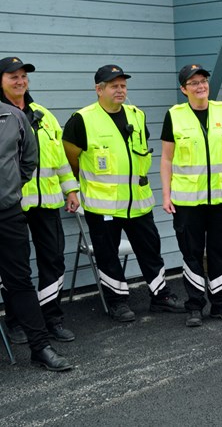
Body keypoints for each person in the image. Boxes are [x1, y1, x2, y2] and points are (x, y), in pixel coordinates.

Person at [63, 64, 184, 322]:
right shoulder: (81, 120)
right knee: (108, 256)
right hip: (103, 206)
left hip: (139, 202)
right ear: (99, 89)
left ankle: (161, 296)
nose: (120, 90)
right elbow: (71, 158)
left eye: (123, 85)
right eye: (114, 85)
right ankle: (117, 301)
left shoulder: (136, 115)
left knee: (151, 250)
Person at [0, 57, 79, 345]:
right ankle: (16, 320)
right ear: (1, 81)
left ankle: (52, 317)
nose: (20, 81)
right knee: (16, 266)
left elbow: (59, 159)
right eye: (13, 77)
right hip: (13, 205)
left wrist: (70, 190)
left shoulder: (44, 115)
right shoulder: (1, 116)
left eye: (23, 77)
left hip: (47, 204)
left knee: (53, 259)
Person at [160, 64, 222, 327]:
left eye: (204, 80)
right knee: (192, 253)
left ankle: (220, 303)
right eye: (194, 82)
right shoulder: (174, 116)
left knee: (219, 252)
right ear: (183, 89)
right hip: (187, 201)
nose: (201, 86)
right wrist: (166, 193)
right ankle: (195, 305)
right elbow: (166, 158)